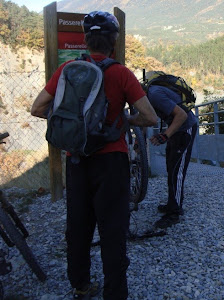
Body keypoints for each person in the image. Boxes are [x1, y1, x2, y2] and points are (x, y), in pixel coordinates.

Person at [31, 11, 157, 300]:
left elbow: (37, 109)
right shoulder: (120, 73)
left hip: (77, 159)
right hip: (112, 161)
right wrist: (125, 121)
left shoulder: (67, 70)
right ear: (113, 41)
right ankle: (115, 293)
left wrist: (72, 125)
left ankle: (81, 285)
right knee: (112, 229)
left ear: (86, 40)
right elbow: (149, 117)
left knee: (78, 225)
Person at [145, 74, 197, 229]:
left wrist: (165, 135)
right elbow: (145, 117)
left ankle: (175, 212)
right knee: (170, 166)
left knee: (177, 171)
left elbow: (181, 115)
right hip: (175, 130)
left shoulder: (154, 95)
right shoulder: (148, 95)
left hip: (184, 128)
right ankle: (171, 203)